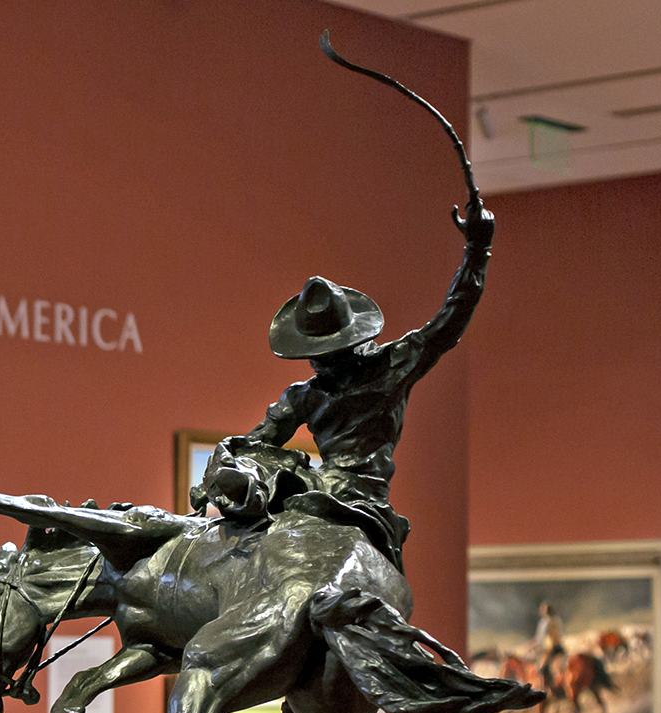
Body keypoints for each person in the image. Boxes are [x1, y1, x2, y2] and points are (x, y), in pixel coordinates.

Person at [198, 188, 494, 571]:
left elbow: (450, 319)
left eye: (323, 353)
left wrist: (477, 251)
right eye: (312, 354)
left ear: (348, 343)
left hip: (363, 497)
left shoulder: (392, 366)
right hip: (319, 489)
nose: (316, 363)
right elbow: (256, 442)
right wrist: (226, 465)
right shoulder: (304, 395)